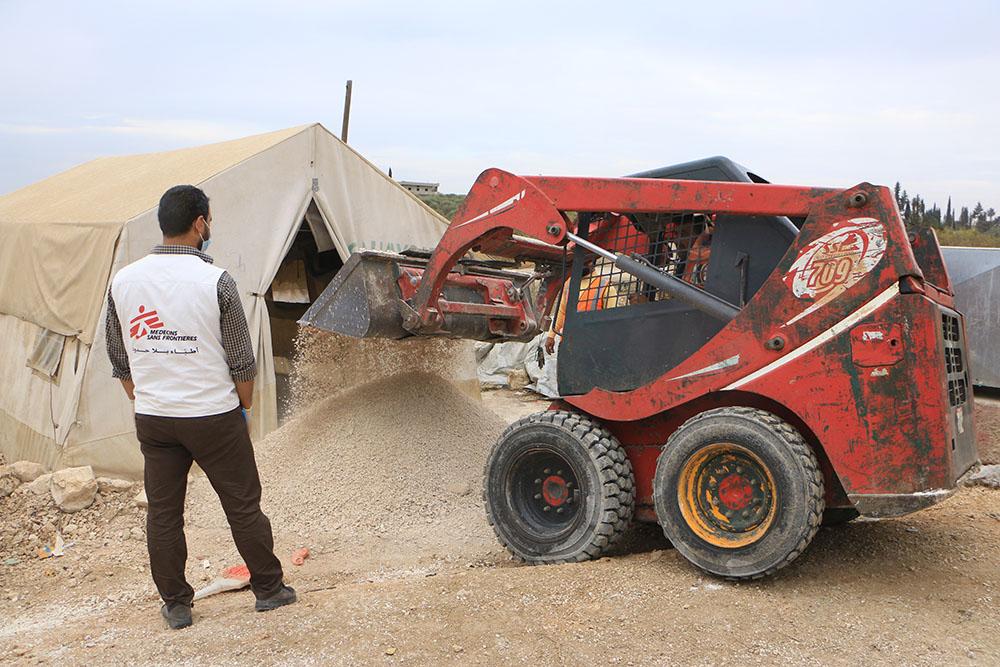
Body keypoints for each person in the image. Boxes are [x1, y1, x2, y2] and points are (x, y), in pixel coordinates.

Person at [105, 185, 296, 630]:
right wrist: (242, 407)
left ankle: (176, 604)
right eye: (209, 219)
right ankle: (269, 589)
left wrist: (145, 397)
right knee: (243, 506)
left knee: (164, 512)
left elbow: (118, 355)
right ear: (199, 224)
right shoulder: (217, 281)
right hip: (214, 416)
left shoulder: (124, 280)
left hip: (154, 419)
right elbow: (240, 359)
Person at [544, 260, 619, 354]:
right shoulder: (569, 283)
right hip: (569, 345)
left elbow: (612, 322)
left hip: (593, 348)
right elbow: (562, 312)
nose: (582, 263)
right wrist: (551, 335)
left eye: (587, 261)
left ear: (593, 261)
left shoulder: (605, 287)